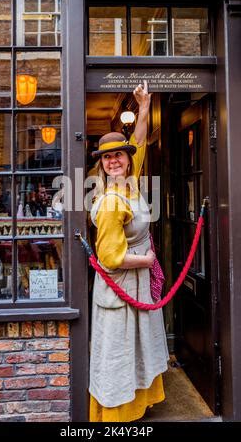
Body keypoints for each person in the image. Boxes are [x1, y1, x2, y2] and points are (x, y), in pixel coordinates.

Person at [89, 81, 169, 422]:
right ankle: (116, 415)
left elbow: (137, 143)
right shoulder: (110, 200)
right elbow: (110, 258)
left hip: (136, 284)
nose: (114, 161)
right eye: (108, 157)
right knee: (120, 352)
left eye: (118, 155)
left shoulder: (130, 182)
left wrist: (144, 108)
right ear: (102, 164)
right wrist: (147, 260)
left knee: (138, 346)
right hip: (121, 287)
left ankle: (139, 403)